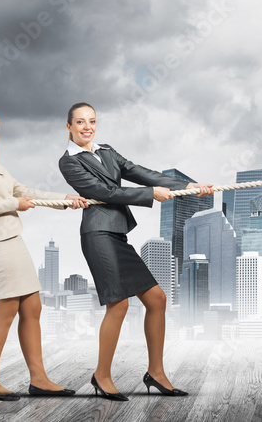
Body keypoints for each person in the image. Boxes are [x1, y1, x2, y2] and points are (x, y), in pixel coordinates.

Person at [58, 102, 214, 400]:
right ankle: (101, 376)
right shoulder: (68, 162)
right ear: (69, 126)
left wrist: (189, 186)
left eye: (91, 121)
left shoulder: (107, 151)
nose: (87, 127)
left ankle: (155, 373)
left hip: (117, 234)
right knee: (119, 305)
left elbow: (139, 172)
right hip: (98, 234)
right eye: (80, 122)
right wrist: (149, 195)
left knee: (156, 299)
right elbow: (105, 193)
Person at [0, 108, 90, 401]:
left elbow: (25, 191)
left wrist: (64, 200)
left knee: (32, 308)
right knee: (4, 313)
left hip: (14, 241)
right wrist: (12, 203)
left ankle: (39, 379)